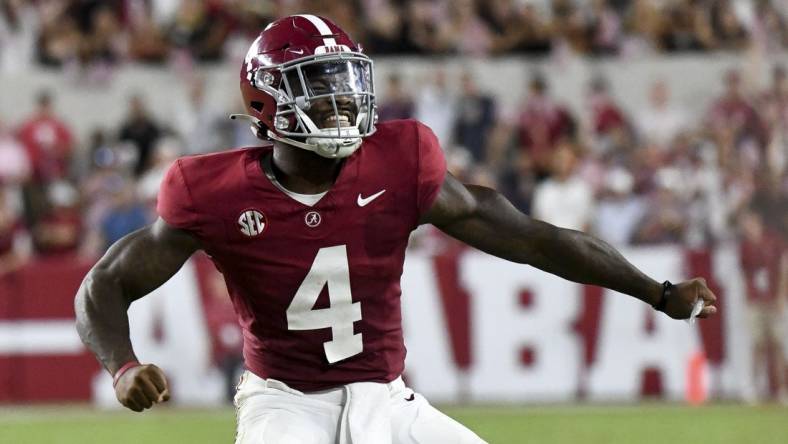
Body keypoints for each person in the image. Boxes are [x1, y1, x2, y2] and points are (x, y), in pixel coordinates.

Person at [74, 15, 717, 444]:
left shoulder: (400, 158)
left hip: (389, 399)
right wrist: (122, 365)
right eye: (318, 88)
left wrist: (656, 292)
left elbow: (534, 238)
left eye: (346, 83)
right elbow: (103, 285)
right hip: (283, 403)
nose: (343, 102)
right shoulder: (210, 190)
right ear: (266, 102)